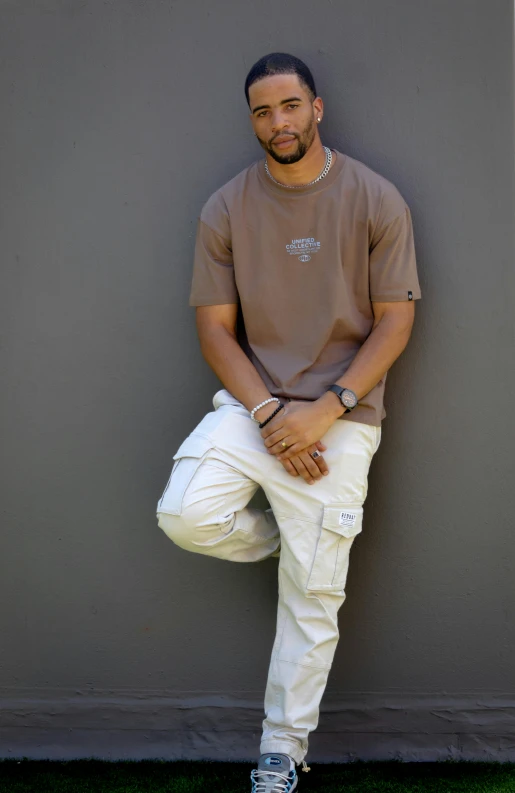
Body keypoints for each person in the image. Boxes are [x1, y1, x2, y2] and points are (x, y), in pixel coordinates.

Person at [156, 51, 421, 793]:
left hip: (343, 414)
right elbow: (215, 330)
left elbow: (394, 323)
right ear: (253, 121)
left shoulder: (375, 198)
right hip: (252, 407)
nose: (278, 122)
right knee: (185, 513)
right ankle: (285, 538)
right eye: (263, 111)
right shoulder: (226, 206)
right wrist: (273, 413)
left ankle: (281, 749)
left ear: (317, 107)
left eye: (290, 106)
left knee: (314, 599)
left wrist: (325, 411)